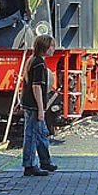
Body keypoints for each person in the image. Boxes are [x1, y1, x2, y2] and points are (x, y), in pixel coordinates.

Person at [20, 34, 57, 176]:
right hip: (35, 105)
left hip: (29, 103)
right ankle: (29, 165)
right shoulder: (40, 64)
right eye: (52, 46)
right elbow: (36, 87)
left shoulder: (32, 60)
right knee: (32, 134)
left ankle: (45, 161)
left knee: (42, 133)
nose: (53, 49)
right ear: (45, 48)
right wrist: (41, 109)